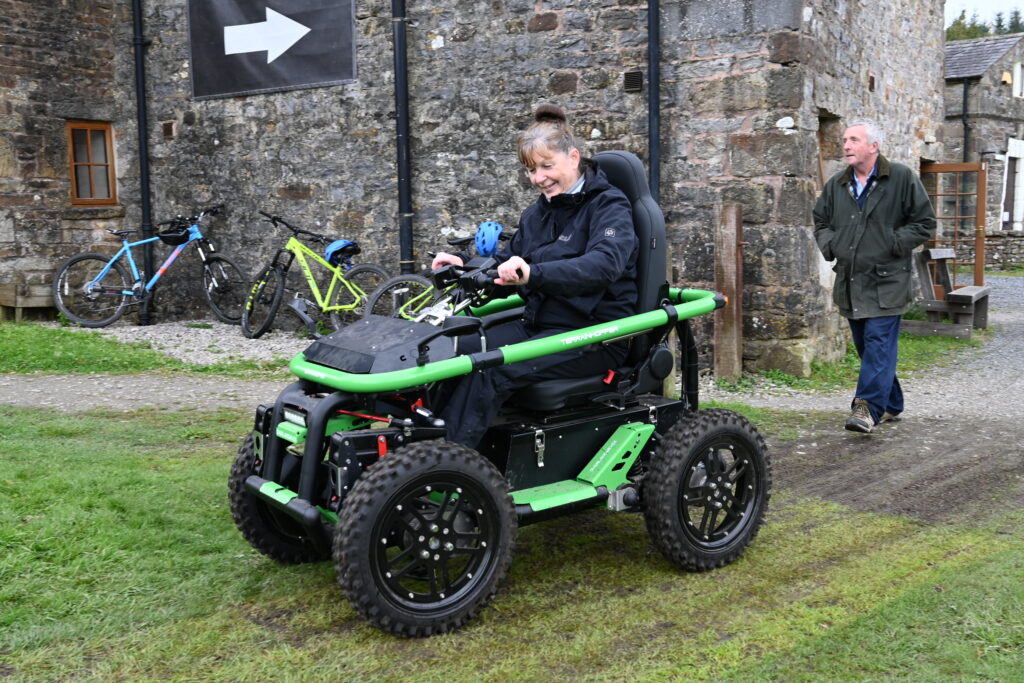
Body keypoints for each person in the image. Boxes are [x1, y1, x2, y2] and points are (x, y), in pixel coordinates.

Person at [429, 104, 639, 447]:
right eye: (530, 170)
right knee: (449, 350)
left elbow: (603, 266)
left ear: (573, 157)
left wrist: (533, 274)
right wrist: (464, 264)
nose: (538, 179)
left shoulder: (609, 207)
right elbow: (505, 261)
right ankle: (419, 450)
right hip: (539, 324)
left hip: (593, 336)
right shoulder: (538, 213)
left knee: (490, 370)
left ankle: (447, 468)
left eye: (546, 166)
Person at [813, 119, 935, 433]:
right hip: (851, 282)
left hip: (888, 282)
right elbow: (821, 220)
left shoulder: (901, 178)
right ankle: (892, 403)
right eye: (844, 140)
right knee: (868, 349)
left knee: (878, 345)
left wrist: (893, 243)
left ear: (873, 146)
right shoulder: (838, 184)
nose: (846, 146)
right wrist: (831, 245)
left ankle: (866, 408)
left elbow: (924, 223)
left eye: (853, 140)